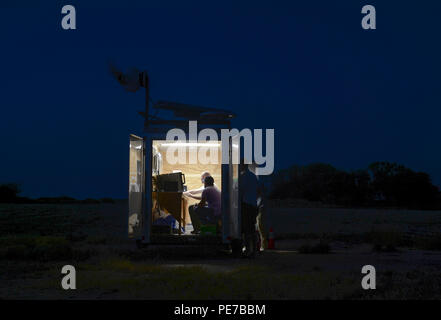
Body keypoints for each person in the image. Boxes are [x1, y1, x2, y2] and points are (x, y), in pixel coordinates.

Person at [239, 161, 259, 258]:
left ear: (243, 165)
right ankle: (255, 250)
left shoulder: (243, 177)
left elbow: (239, 191)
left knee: (247, 230)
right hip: (253, 205)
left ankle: (248, 251)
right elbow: (257, 190)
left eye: (240, 165)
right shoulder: (253, 176)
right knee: (252, 228)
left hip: (246, 205)